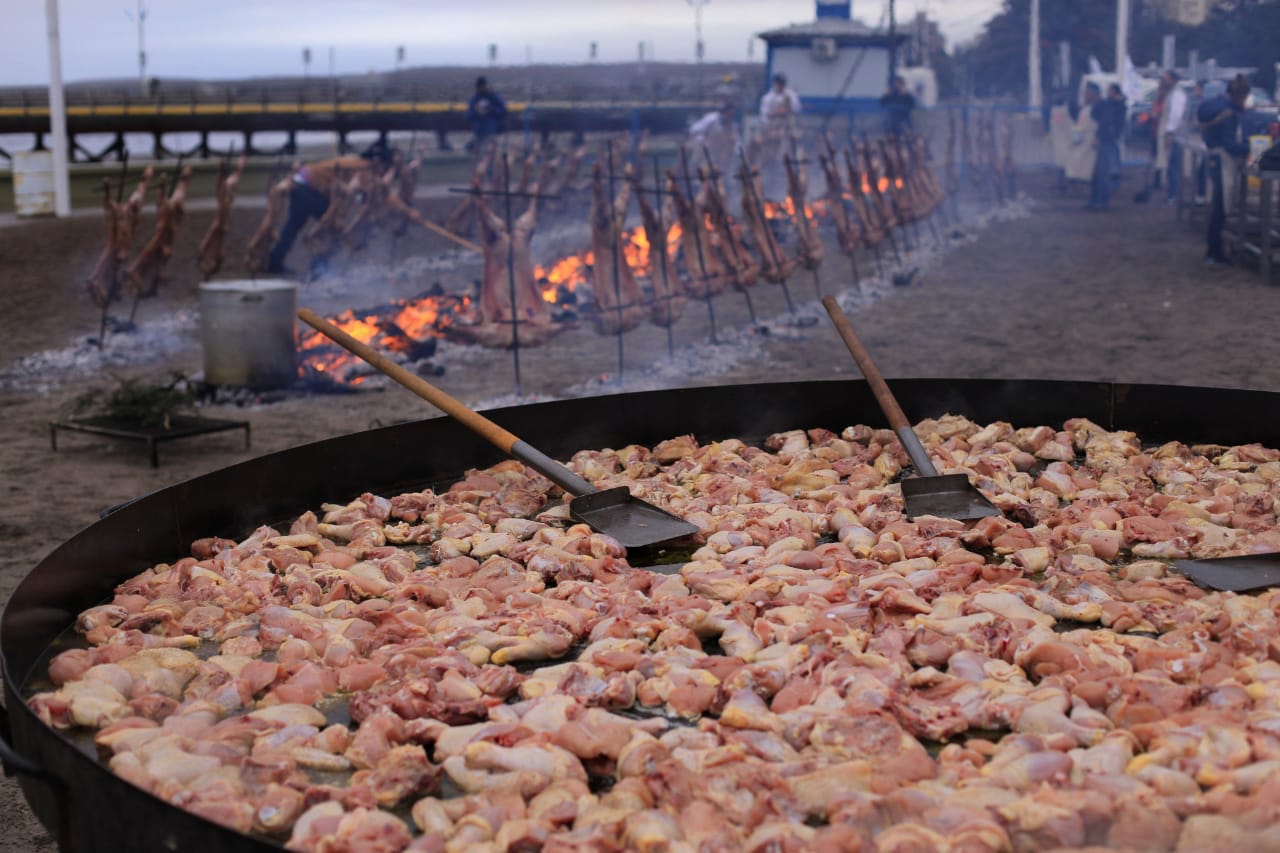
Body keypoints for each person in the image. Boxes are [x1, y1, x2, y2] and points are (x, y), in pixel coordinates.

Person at [265, 143, 392, 275]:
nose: (383, 171)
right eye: (385, 167)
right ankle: (319, 267)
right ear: (378, 162)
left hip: (299, 184)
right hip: (308, 188)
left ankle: (275, 262)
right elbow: (356, 194)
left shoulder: (356, 162)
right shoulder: (364, 167)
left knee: (293, 225)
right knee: (335, 227)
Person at [1199, 76, 1251, 266]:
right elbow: (1230, 145)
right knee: (1220, 209)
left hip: (1214, 158)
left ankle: (1215, 250)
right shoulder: (1228, 114)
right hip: (1223, 161)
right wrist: (1251, 148)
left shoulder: (1217, 105)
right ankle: (1214, 253)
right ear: (1240, 96)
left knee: (1218, 207)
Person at [1087, 84, 1126, 211]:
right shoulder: (1113, 105)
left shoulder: (1111, 106)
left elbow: (1104, 122)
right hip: (1108, 140)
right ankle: (1096, 201)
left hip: (1106, 141)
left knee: (1103, 173)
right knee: (1099, 172)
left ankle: (1101, 201)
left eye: (1109, 90)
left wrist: (1098, 136)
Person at [1155, 70, 1188, 205]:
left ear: (1173, 80)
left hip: (1175, 136)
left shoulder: (1177, 95)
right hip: (1173, 135)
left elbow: (1176, 116)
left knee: (1174, 166)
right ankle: (1172, 195)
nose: (1164, 81)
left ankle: (1173, 197)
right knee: (1171, 166)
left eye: (1166, 79)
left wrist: (1170, 133)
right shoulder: (1171, 94)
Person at [466, 76, 507, 155]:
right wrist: (477, 111)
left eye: (483, 86)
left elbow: (503, 111)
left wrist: (490, 110)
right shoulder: (474, 99)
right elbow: (469, 115)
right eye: (479, 87)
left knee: (489, 153)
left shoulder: (493, 97)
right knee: (479, 154)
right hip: (478, 131)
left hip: (491, 130)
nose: (482, 88)